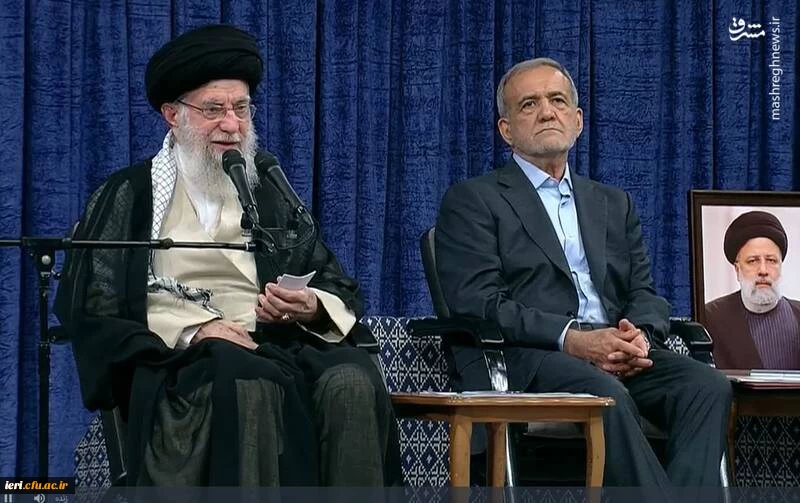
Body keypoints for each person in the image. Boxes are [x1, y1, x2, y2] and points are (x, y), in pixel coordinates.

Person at [54, 24, 400, 487]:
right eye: (213, 109)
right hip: (183, 363)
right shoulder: (130, 194)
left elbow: (333, 280)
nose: (232, 125)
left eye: (241, 108)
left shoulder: (268, 190)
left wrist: (309, 305)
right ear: (172, 115)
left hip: (276, 344)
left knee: (351, 380)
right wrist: (194, 330)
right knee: (248, 381)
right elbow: (94, 304)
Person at [434, 57, 732, 486]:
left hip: (615, 352)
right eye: (529, 104)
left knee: (706, 386)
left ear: (577, 121)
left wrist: (637, 337)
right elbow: (479, 302)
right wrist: (573, 339)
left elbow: (644, 292)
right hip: (532, 356)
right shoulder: (474, 200)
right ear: (506, 130)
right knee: (603, 395)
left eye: (557, 101)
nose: (546, 112)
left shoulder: (612, 202)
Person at [704, 211, 800, 369]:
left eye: (771, 260)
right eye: (753, 261)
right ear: (737, 270)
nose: (763, 270)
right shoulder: (710, 318)